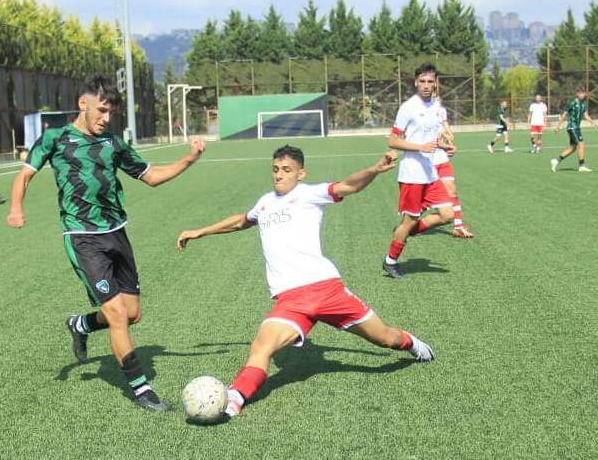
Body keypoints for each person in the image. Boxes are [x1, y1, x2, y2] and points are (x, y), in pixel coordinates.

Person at [176, 145, 435, 419]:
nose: (279, 175)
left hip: (327, 290)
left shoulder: (310, 194)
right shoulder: (265, 203)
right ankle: (234, 399)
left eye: (286, 170)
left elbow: (348, 186)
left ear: (301, 173)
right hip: (290, 300)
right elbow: (241, 220)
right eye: (275, 169)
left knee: (386, 339)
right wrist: (200, 232)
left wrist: (373, 169)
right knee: (260, 347)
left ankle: (411, 343)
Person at [6, 74, 207, 412]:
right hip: (82, 236)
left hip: (117, 232)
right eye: (101, 110)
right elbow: (25, 174)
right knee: (116, 314)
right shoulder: (55, 139)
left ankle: (81, 324)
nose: (106, 118)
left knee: (132, 314)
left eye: (111, 112)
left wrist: (190, 158)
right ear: (82, 104)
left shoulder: (113, 143)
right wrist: (15, 207)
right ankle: (142, 390)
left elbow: (151, 177)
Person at [383, 63, 455, 279]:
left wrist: (443, 146)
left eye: (430, 81)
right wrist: (420, 147)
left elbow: (432, 137)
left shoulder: (436, 105)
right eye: (422, 81)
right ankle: (390, 261)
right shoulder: (408, 108)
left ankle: (405, 230)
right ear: (415, 82)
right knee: (410, 220)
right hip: (412, 174)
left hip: (430, 172)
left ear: (435, 83)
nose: (426, 85)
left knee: (447, 214)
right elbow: (393, 140)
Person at [437, 106, 473, 238]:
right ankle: (408, 225)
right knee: (421, 200)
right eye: (424, 82)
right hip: (425, 161)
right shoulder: (414, 108)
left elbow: (445, 125)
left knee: (452, 191)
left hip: (441, 160)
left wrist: (449, 135)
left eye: (432, 84)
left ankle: (458, 226)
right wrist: (445, 139)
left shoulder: (440, 109)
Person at [551, 89, 598, 172]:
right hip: (572, 127)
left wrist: (593, 123)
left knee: (572, 148)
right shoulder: (572, 103)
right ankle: (582, 165)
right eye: (581, 93)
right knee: (581, 144)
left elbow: (585, 115)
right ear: (577, 94)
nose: (583, 95)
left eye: (584, 93)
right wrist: (558, 126)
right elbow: (564, 114)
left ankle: (556, 160)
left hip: (577, 128)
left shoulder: (583, 104)